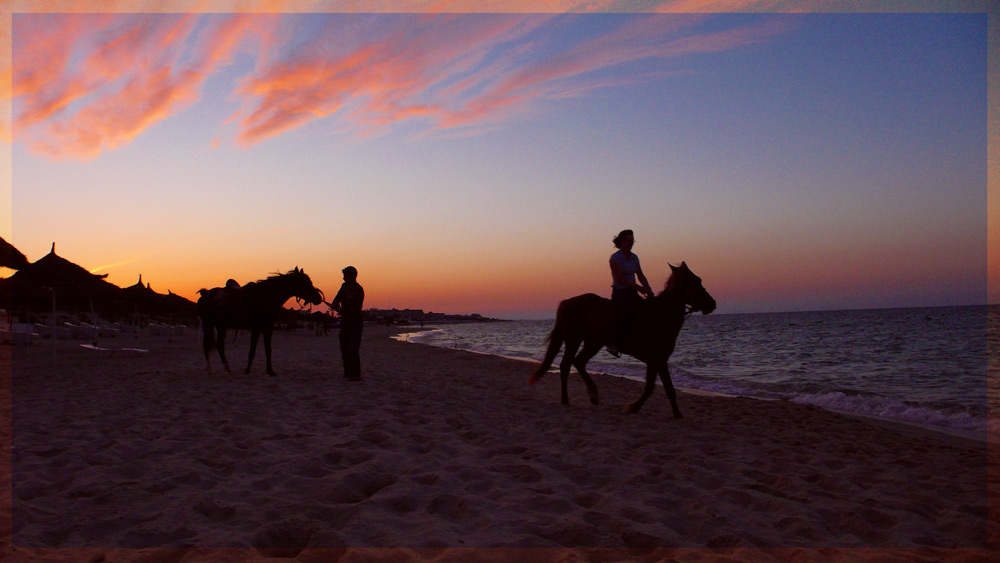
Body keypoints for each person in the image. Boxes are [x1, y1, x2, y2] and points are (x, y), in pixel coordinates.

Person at [607, 229, 653, 357]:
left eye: (633, 241)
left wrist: (648, 289)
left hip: (632, 292)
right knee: (626, 315)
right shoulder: (615, 258)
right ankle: (614, 344)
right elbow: (619, 279)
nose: (631, 243)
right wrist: (639, 288)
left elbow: (640, 275)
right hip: (620, 292)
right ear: (621, 241)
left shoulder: (634, 257)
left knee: (648, 311)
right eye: (629, 241)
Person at [330, 266, 365, 381]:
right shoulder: (344, 287)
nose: (343, 278)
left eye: (345, 275)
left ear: (352, 276)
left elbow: (355, 307)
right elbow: (336, 301)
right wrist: (336, 306)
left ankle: (355, 374)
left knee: (353, 348)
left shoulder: (359, 290)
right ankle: (348, 373)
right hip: (346, 320)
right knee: (344, 347)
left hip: (355, 321)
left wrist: (342, 309)